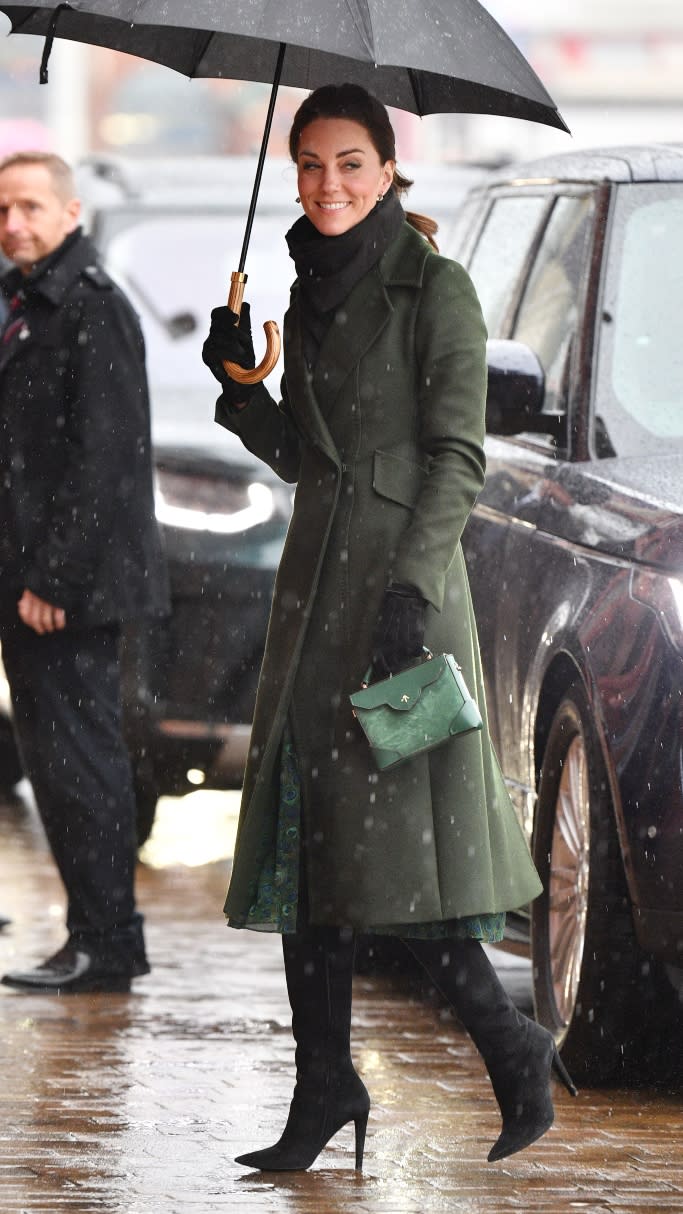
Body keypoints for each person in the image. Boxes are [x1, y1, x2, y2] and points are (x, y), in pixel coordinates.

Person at [202, 84, 576, 1171]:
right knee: (310, 851)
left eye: (349, 162)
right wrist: (238, 388)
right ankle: (324, 1083)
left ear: (386, 167)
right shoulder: (303, 287)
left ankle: (512, 1050)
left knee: (411, 855)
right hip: (313, 599)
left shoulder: (434, 288)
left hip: (399, 607)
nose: (327, 183)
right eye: (310, 163)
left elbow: (456, 454)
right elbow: (312, 456)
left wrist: (409, 589)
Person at [0, 152, 168, 994]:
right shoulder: (28, 300)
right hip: (35, 580)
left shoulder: (90, 309)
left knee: (79, 767)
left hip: (68, 590)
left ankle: (106, 943)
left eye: (30, 207)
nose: (13, 223)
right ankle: (96, 938)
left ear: (70, 211)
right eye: (2, 209)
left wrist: (54, 581)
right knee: (60, 766)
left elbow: (101, 461)